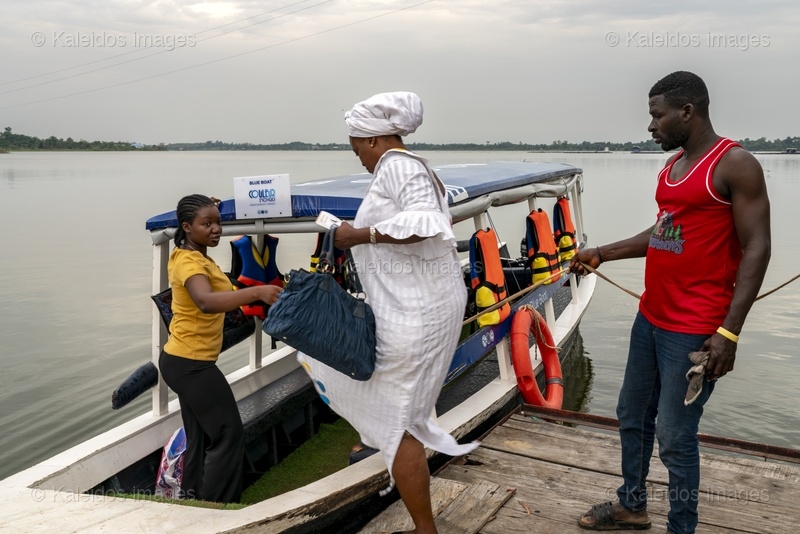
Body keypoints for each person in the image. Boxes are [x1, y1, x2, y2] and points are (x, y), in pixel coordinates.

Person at [571, 71, 771, 533]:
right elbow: (664, 232)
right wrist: (603, 252)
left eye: (657, 115)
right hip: (651, 316)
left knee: (675, 436)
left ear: (687, 111)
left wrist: (728, 333)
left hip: (695, 328)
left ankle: (682, 526)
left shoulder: (735, 164)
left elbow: (758, 247)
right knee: (631, 415)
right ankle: (632, 504)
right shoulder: (673, 166)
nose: (650, 126)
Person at [295, 91, 478, 534]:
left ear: (374, 139)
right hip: (416, 307)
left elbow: (425, 223)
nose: (355, 152)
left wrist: (358, 235)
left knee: (398, 421)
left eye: (355, 143)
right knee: (400, 413)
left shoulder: (398, 166)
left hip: (416, 314)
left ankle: (424, 529)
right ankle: (420, 520)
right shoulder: (405, 167)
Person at [158, 194, 283, 503]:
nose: (216, 229)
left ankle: (192, 502)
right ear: (187, 227)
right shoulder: (188, 261)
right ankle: (215, 508)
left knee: (200, 438)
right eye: (207, 224)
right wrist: (257, 291)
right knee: (228, 433)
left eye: (218, 222)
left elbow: (199, 213)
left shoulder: (194, 254)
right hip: (190, 364)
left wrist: (211, 205)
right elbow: (206, 301)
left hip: (183, 361)